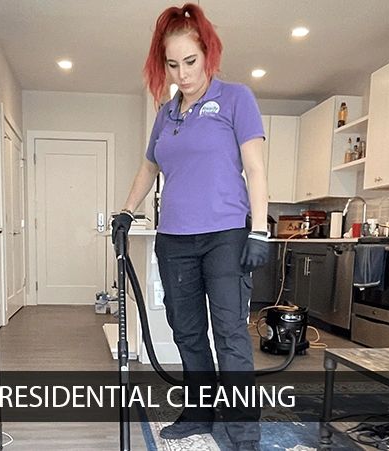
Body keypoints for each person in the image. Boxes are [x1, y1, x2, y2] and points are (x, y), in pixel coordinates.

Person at [112, 3, 269, 450]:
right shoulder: (166, 113)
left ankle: (242, 432)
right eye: (173, 64)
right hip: (174, 240)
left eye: (191, 61)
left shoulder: (237, 98)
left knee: (230, 332)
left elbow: (255, 168)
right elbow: (148, 168)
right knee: (186, 330)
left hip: (225, 235)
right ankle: (200, 410)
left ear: (208, 53)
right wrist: (125, 211)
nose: (182, 74)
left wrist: (258, 229)